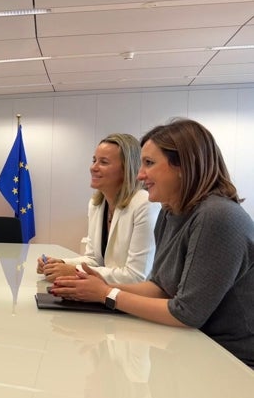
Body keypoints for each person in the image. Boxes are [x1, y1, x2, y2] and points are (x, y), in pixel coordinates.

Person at [50, 119, 254, 368]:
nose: (140, 175)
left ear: (183, 166)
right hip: (192, 348)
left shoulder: (218, 216)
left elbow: (186, 313)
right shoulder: (170, 212)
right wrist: (96, 288)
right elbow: (160, 287)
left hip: (233, 361)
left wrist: (106, 294)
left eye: (149, 163)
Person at [38, 133, 159, 283]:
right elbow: (94, 259)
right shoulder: (96, 205)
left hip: (130, 298)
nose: (93, 167)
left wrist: (74, 271)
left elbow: (137, 277)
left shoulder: (145, 204)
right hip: (104, 294)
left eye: (104, 162)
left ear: (126, 168)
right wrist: (60, 264)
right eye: (94, 160)